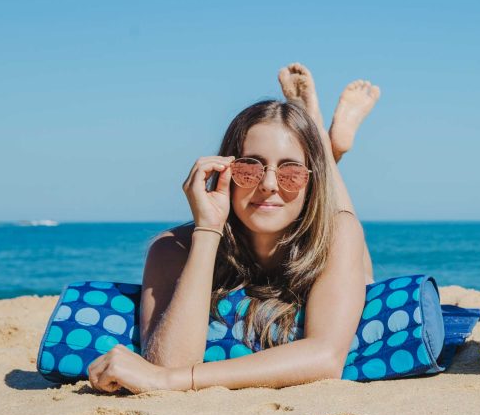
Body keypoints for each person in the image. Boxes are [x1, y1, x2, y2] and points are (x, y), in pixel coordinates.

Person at [87, 64, 380, 394]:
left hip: (327, 228)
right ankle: (317, 145)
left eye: (291, 172)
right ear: (224, 169)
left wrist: (171, 381)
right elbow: (168, 361)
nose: (269, 184)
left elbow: (326, 358)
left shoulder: (338, 232)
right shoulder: (171, 249)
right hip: (233, 228)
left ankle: (325, 147)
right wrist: (208, 231)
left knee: (351, 244)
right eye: (250, 168)